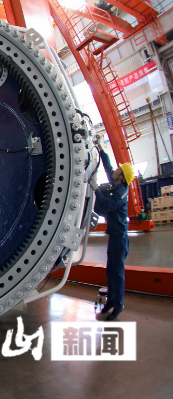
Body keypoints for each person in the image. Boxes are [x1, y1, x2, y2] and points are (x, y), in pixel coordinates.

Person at [88, 136, 135, 321]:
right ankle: (111, 301)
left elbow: (107, 206)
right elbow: (108, 167)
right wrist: (100, 149)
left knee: (117, 272)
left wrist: (96, 190)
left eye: (118, 170)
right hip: (114, 236)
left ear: (121, 176)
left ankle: (119, 304)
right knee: (111, 270)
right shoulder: (117, 183)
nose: (115, 170)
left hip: (120, 239)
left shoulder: (121, 192)